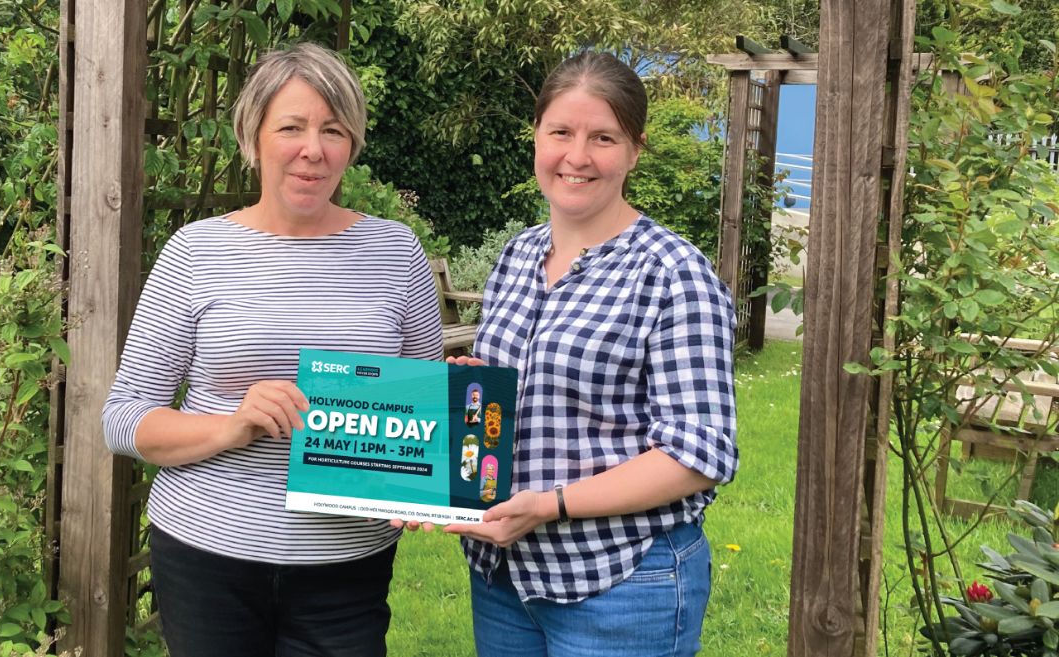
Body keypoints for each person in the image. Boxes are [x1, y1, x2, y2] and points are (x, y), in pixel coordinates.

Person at [102, 42, 443, 657]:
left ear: (352, 144)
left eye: (333, 130)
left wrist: (423, 475)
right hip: (207, 555)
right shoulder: (196, 252)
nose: (313, 149)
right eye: (292, 127)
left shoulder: (395, 253)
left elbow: (424, 413)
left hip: (347, 566)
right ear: (254, 135)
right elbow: (124, 419)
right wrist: (235, 426)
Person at [444, 52, 738, 657]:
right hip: (503, 577)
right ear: (536, 139)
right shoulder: (518, 256)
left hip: (620, 583)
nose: (576, 157)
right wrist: (468, 392)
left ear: (634, 149)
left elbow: (699, 451)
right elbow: (523, 391)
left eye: (602, 137)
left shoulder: (673, 273)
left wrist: (552, 505)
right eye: (561, 132)